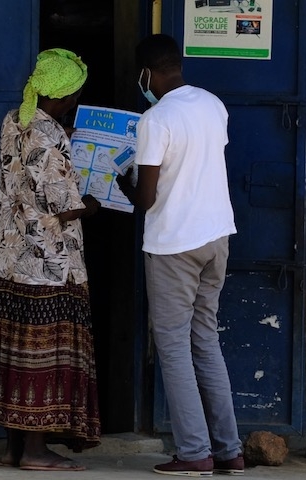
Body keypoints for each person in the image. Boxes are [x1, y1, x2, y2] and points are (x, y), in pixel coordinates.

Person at [116, 34, 244, 477]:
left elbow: (146, 198)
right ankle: (229, 451)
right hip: (216, 237)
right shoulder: (213, 104)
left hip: (174, 244)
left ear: (146, 73)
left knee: (172, 347)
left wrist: (122, 183)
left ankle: (194, 453)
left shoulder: (156, 119)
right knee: (205, 340)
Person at [0, 48, 102, 472]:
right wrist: (94, 205)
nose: (75, 102)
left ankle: (13, 449)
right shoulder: (50, 136)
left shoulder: (14, 120)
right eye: (74, 95)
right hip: (46, 264)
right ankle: (35, 451)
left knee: (12, 349)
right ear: (62, 95)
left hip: (7, 256)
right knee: (40, 353)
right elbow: (64, 206)